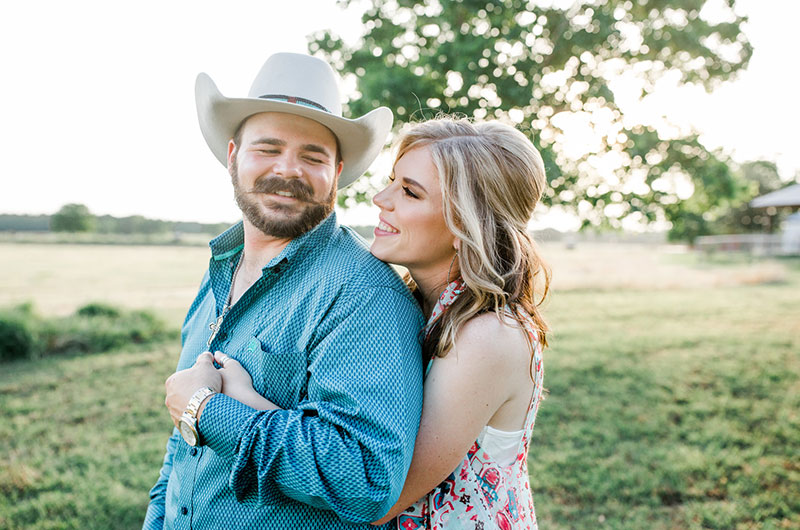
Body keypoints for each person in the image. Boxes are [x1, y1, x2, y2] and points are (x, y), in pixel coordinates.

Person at [218, 116, 550, 529]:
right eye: (393, 180)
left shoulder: (487, 335)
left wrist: (232, 401)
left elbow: (379, 495)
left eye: (409, 192)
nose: (380, 198)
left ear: (466, 221)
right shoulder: (424, 306)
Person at [143, 52, 425, 529]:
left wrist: (206, 409)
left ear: (336, 172)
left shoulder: (364, 294)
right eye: (268, 149)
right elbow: (182, 446)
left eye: (312, 156)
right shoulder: (218, 272)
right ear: (234, 156)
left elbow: (366, 480)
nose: (288, 170)